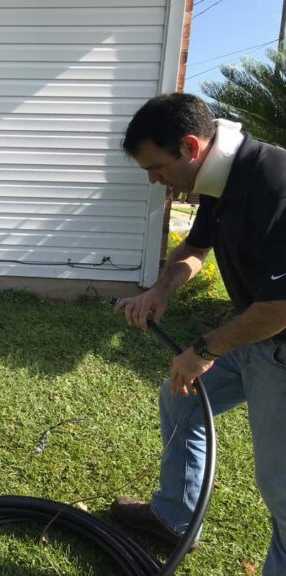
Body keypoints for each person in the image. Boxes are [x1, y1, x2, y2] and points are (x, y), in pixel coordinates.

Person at [112, 93, 286, 574]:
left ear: (190, 146)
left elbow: (280, 307)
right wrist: (161, 290)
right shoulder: (219, 178)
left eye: (156, 167)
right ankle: (174, 518)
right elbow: (194, 247)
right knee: (183, 400)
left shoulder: (274, 184)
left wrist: (205, 349)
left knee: (282, 492)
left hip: (281, 346)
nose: (153, 178)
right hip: (257, 339)